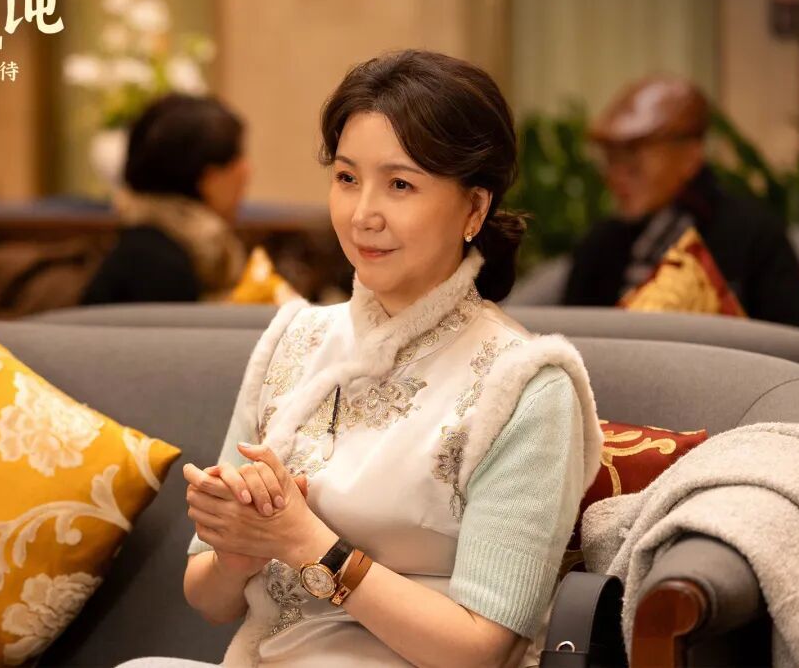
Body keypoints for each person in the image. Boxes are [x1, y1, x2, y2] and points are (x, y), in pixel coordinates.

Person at [121, 51, 604, 668]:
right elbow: (209, 598)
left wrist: (308, 543)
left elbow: (483, 648)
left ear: (474, 209)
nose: (362, 214)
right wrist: (240, 551)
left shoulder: (524, 385)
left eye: (400, 185)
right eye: (347, 178)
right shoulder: (293, 338)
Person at [563, 75, 799, 332]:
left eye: (633, 159)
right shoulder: (600, 243)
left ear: (690, 156)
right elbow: (569, 338)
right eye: (610, 159)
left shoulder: (753, 234)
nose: (616, 175)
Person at [81, 94, 249, 305]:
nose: (247, 170)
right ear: (209, 179)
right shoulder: (153, 266)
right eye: (238, 156)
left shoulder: (170, 247)